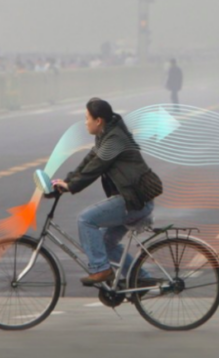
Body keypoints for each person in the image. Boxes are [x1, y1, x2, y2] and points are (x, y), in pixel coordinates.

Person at [52, 98, 163, 286]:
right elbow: (89, 161)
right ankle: (141, 279)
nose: (85, 122)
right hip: (132, 200)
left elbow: (96, 166)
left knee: (86, 219)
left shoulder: (115, 139)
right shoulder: (106, 135)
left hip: (134, 201)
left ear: (98, 121)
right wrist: (67, 181)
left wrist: (72, 186)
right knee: (105, 243)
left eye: (87, 118)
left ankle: (101, 270)